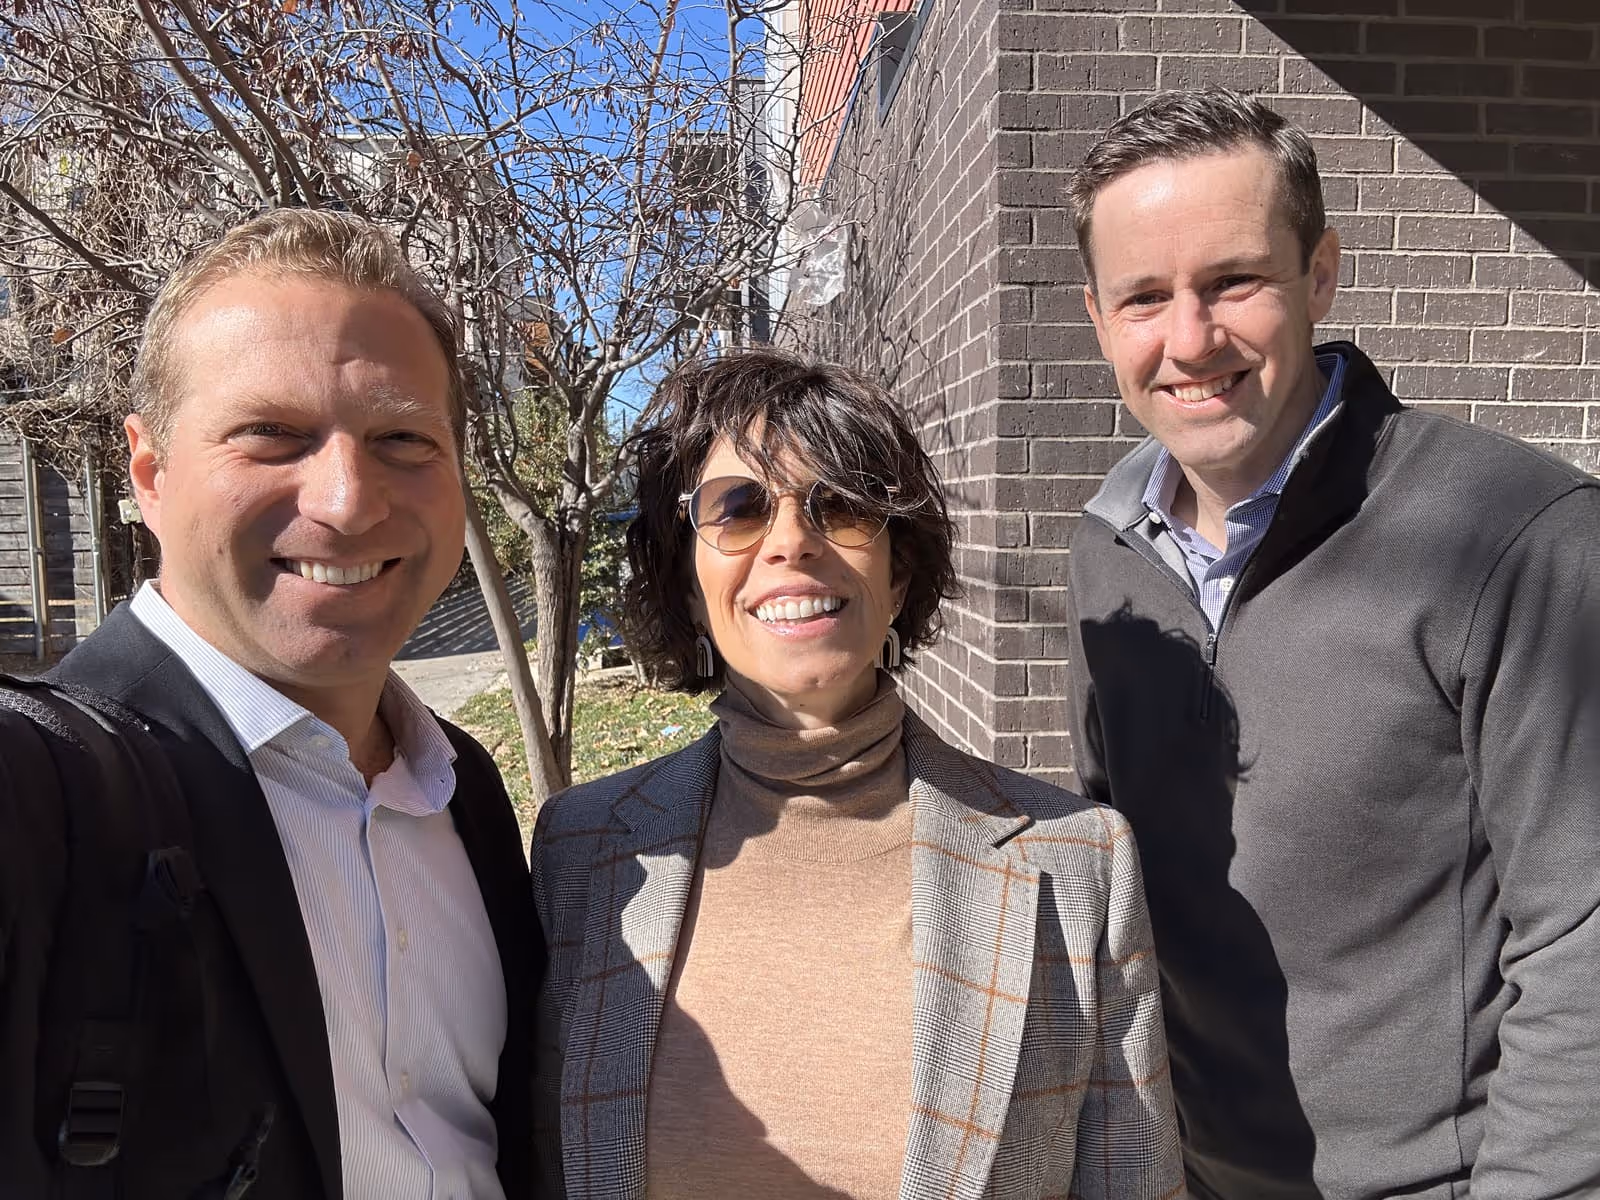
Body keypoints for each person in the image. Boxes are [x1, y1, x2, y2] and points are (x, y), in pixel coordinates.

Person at [1065, 86, 1600, 1199]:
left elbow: (1584, 939)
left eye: (1233, 282)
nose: (1188, 339)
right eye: (1143, 298)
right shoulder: (1106, 553)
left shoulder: (1514, 539)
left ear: (1319, 275)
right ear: (1097, 318)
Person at [530, 349, 1183, 1200]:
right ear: (689, 583)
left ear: (897, 566)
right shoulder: (582, 852)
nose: (792, 543)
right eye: (737, 509)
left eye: (838, 505)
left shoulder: (1077, 861)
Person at [0, 209, 541, 1199]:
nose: (345, 499)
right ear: (151, 473)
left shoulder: (461, 791)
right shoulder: (52, 795)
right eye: (270, 436)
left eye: (402, 439)